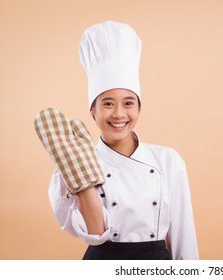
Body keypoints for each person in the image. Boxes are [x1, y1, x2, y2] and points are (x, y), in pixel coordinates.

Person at [40, 21, 199, 260]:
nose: (118, 114)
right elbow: (94, 234)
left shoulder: (168, 160)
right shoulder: (73, 165)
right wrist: (81, 178)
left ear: (139, 108)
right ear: (92, 110)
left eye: (128, 103)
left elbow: (183, 237)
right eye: (107, 103)